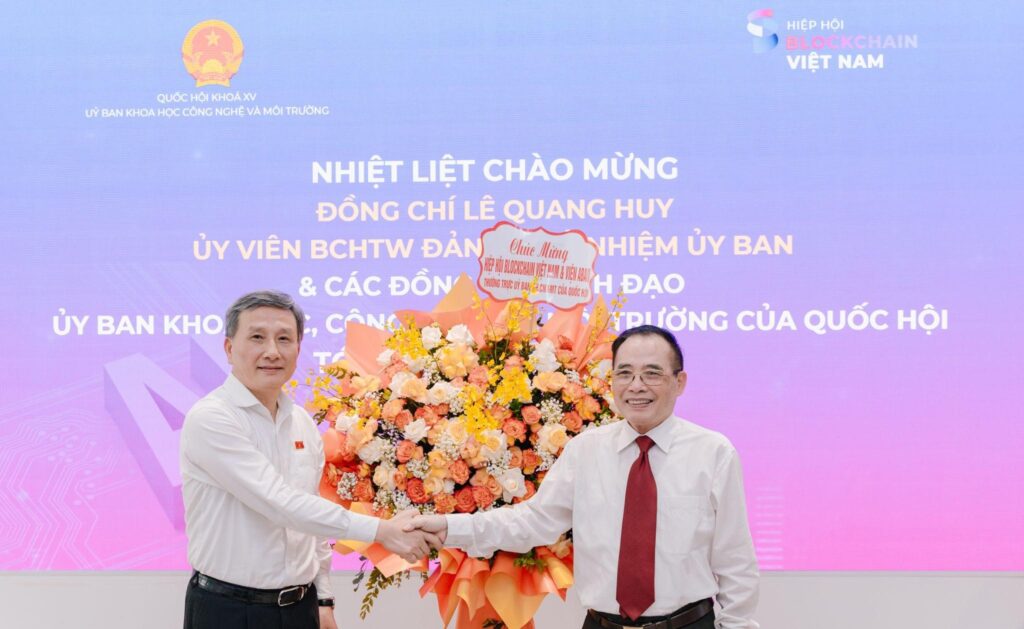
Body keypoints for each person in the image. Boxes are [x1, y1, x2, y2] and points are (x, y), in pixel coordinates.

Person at [409, 324, 759, 629]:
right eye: (624, 373)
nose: (636, 386)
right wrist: (448, 527)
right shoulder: (585, 450)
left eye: (652, 373)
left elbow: (735, 561)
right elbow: (531, 522)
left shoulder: (713, 453)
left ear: (679, 382)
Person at [180, 290, 436, 629]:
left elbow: (311, 515)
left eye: (284, 339)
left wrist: (323, 597)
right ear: (229, 348)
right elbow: (280, 503)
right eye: (257, 337)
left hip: (300, 608)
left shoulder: (301, 421)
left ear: (298, 349)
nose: (272, 351)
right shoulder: (212, 418)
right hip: (228, 610)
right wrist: (382, 531)